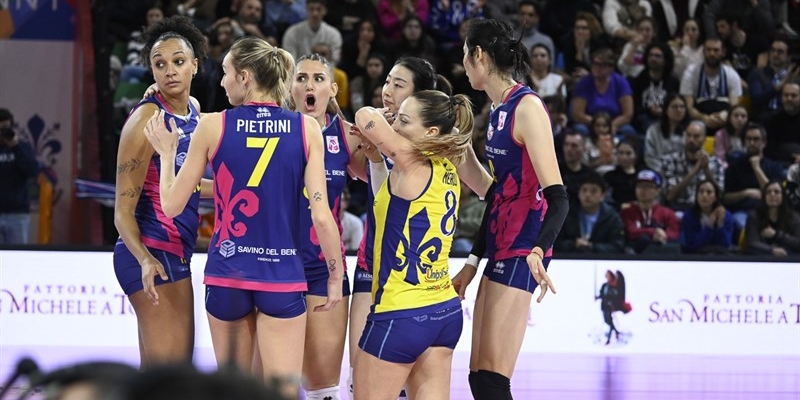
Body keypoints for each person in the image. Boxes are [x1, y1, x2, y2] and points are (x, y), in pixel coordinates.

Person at [143, 37, 344, 396]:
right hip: (282, 275)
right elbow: (322, 217)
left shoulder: (212, 125)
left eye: (226, 73)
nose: (222, 82)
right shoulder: (305, 128)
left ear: (245, 76)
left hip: (228, 273)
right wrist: (335, 275)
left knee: (234, 393)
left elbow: (171, 206)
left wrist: (168, 155)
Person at [451, 19, 569, 400]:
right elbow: (497, 195)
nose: (463, 65)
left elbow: (558, 198)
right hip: (500, 244)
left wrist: (539, 249)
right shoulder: (497, 109)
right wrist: (472, 263)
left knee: (492, 379)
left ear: (479, 55)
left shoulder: (527, 107)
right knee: (479, 378)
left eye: (465, 56)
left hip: (523, 248)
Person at [352, 89, 473, 400]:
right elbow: (390, 204)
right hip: (443, 311)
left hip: (401, 312)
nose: (395, 126)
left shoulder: (411, 159)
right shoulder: (447, 167)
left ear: (430, 132)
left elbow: (364, 115)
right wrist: (376, 159)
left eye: (404, 120)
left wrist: (381, 118)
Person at [112, 15, 208, 367]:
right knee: (174, 377)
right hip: (153, 251)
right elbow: (122, 211)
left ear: (194, 66)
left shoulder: (194, 110)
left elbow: (187, 185)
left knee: (157, 379)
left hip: (175, 251)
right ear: (151, 71)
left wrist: (236, 191)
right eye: (160, 64)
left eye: (178, 62)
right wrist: (144, 259)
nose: (170, 71)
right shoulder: (146, 122)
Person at [289, 52, 368, 400]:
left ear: (333, 90)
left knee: (323, 390)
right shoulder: (276, 130)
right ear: (290, 88)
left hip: (324, 268)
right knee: (273, 385)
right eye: (301, 78)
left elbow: (384, 182)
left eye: (318, 79)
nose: (309, 85)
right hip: (276, 265)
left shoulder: (346, 136)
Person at [0, 108, 38, 245]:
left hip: (17, 214)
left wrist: (16, 147)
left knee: (18, 255)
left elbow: (32, 171)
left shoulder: (23, 147)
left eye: (4, 129)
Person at [743, 180, 800, 256]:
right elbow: (751, 243)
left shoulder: (793, 218)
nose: (772, 195)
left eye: (776, 192)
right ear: (764, 197)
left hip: (788, 259)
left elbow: (798, 243)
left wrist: (776, 235)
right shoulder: (754, 216)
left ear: (783, 196)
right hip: (761, 259)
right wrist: (771, 250)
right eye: (768, 192)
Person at [679, 179, 734, 254]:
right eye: (701, 192)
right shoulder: (689, 216)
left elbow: (726, 245)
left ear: (715, 197)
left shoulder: (726, 215)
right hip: (696, 257)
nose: (704, 195)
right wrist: (709, 226)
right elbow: (693, 245)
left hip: (719, 256)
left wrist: (720, 225)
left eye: (709, 192)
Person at [595, 270, 630, 345]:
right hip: (604, 305)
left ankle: (608, 339)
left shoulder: (614, 286)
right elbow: (602, 294)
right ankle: (616, 332)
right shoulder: (604, 285)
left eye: (609, 275)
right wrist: (597, 297)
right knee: (607, 321)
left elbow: (616, 295)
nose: (608, 277)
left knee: (609, 320)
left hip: (609, 306)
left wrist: (611, 300)